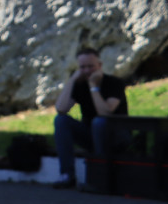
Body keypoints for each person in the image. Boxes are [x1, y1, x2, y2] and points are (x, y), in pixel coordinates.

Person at [52, 46, 128, 189]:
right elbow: (61, 109)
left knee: (99, 122)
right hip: (91, 136)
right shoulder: (80, 84)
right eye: (83, 67)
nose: (87, 71)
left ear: (99, 66)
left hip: (116, 136)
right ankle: (67, 175)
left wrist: (94, 86)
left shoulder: (114, 83)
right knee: (61, 120)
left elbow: (105, 112)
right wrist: (72, 80)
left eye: (90, 66)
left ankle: (100, 176)